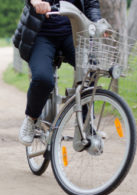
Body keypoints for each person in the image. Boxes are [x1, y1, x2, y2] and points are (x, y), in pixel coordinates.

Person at [13, 0, 101, 146]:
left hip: (72, 34)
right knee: (43, 79)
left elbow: (91, 3)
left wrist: (97, 23)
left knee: (92, 70)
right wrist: (36, 2)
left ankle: (86, 124)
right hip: (41, 34)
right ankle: (31, 119)